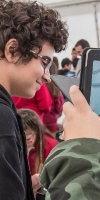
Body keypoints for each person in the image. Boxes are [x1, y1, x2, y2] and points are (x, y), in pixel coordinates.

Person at [0, 1, 68, 199]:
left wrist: (21, 186)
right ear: (12, 50)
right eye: (44, 62)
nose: (47, 76)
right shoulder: (2, 117)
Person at [18, 109, 58, 175]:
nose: (25, 142)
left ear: (37, 131)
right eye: (21, 138)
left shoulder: (50, 146)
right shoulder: (11, 143)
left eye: (28, 139)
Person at [43, 62, 64, 138]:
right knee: (51, 147)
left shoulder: (40, 86)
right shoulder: (56, 89)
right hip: (51, 123)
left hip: (39, 121)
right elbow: (59, 109)